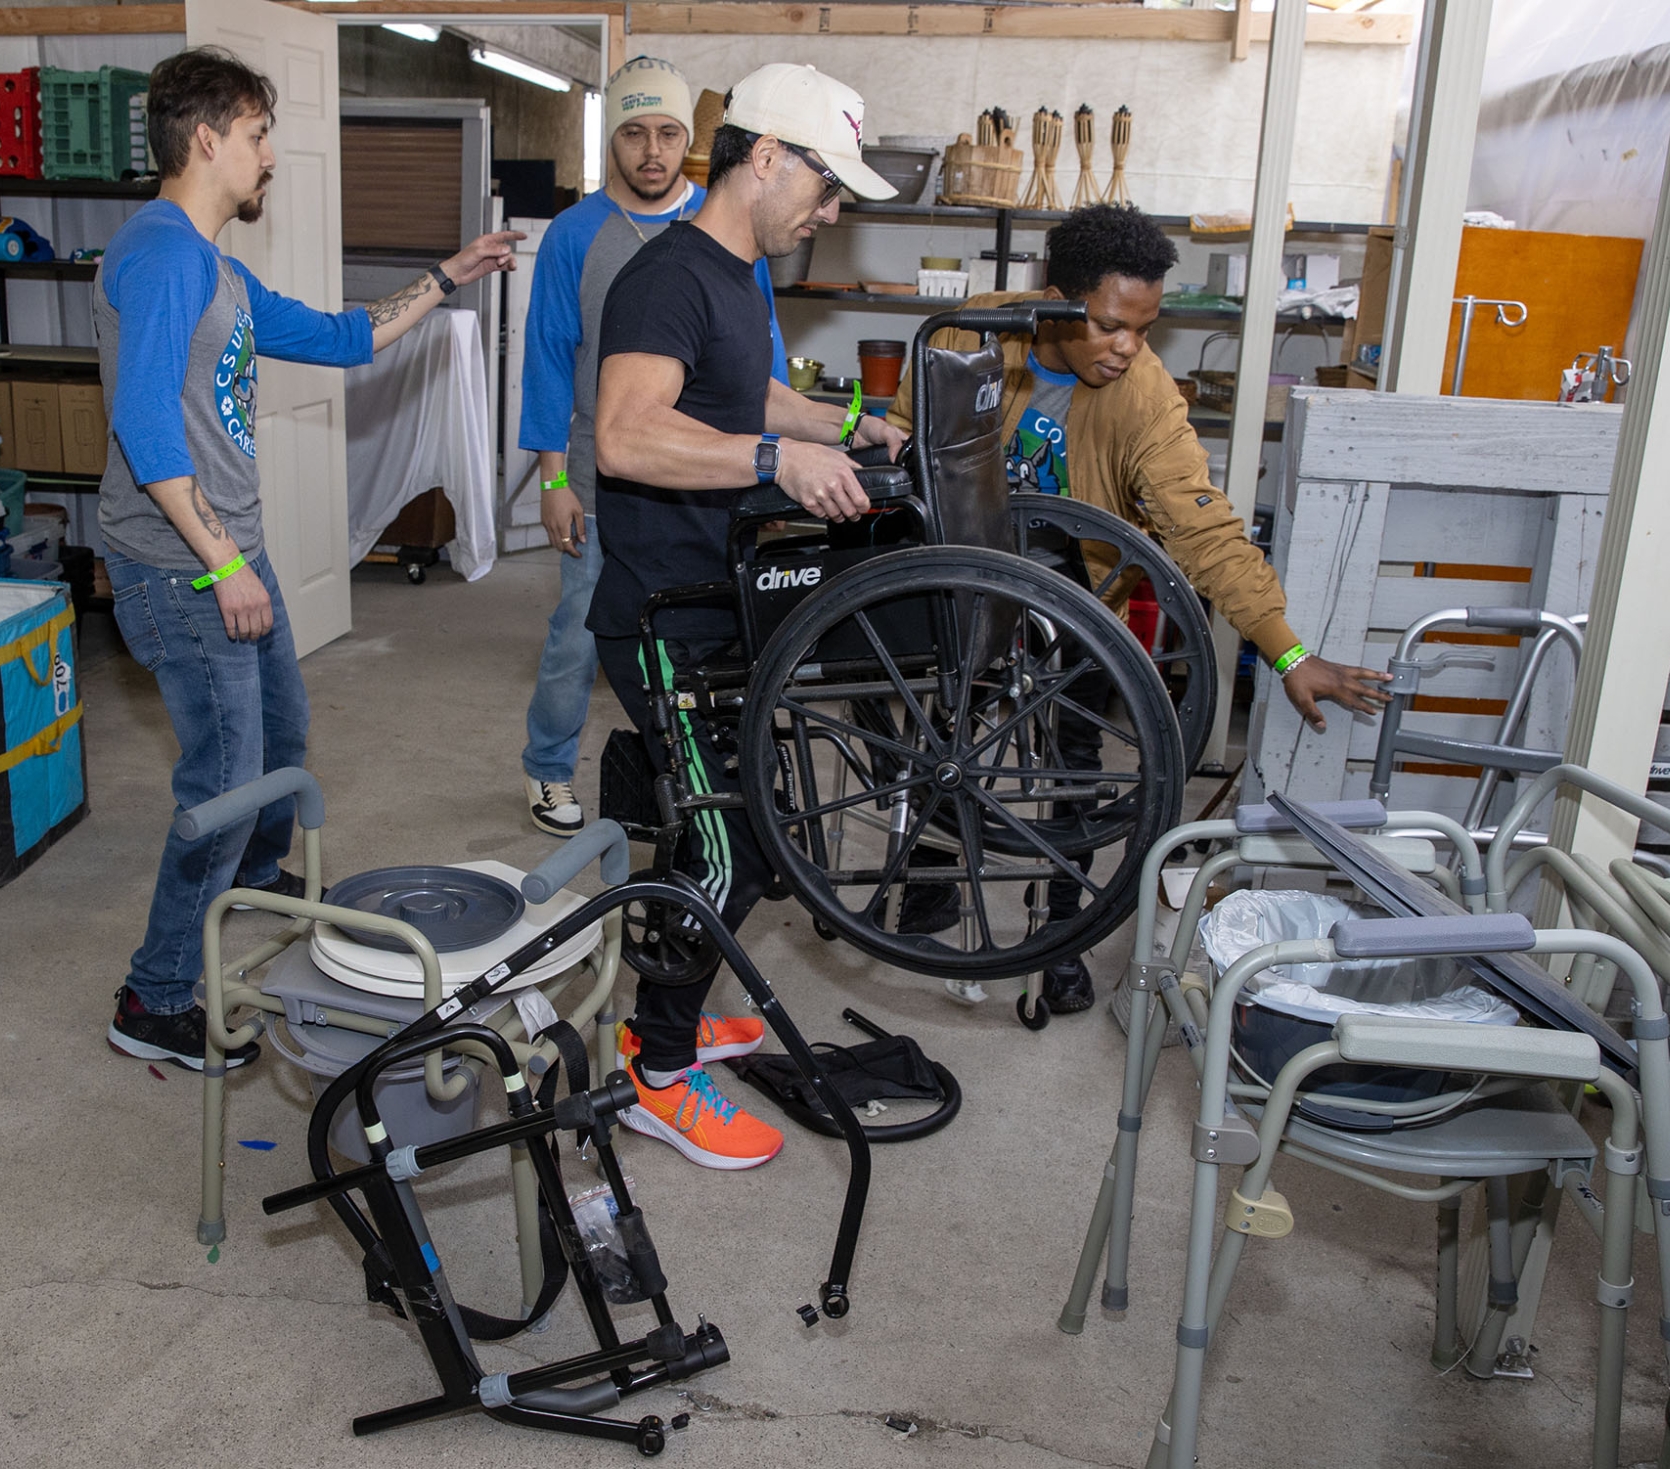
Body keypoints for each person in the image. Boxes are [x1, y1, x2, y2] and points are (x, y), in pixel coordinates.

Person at [101, 47, 521, 1070]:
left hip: (228, 552)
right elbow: (148, 425)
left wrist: (446, 277)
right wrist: (222, 564)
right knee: (227, 772)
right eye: (256, 135)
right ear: (207, 139)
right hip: (181, 563)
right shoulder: (160, 253)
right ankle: (153, 994)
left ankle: (257, 877)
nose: (271, 156)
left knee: (283, 732)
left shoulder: (219, 270)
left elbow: (343, 338)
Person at [886, 202, 1391, 1016]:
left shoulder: (1146, 397)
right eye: (1112, 325)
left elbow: (1204, 530)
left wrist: (1288, 650)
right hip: (963, 574)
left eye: (1145, 328)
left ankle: (1062, 931)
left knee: (1075, 766)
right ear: (1054, 301)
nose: (1128, 347)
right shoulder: (965, 336)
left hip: (1076, 588)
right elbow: (905, 440)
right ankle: (934, 892)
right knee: (945, 737)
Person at [588, 62, 905, 1169]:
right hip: (660, 623)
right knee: (729, 851)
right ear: (764, 155)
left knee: (740, 831)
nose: (829, 214)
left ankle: (659, 1017)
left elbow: (738, 389)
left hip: (716, 606)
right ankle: (655, 1076)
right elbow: (626, 435)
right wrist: (780, 458)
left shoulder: (733, 276)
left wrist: (843, 422)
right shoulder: (666, 274)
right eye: (825, 189)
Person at [518, 55, 791, 838]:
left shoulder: (728, 222)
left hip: (700, 477)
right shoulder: (576, 234)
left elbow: (759, 356)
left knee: (701, 638)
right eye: (634, 133)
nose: (651, 150)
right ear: (613, 141)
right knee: (580, 630)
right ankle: (546, 765)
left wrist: (770, 460)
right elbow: (548, 359)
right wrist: (552, 481)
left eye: (668, 133)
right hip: (600, 476)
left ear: (689, 141)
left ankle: (684, 770)